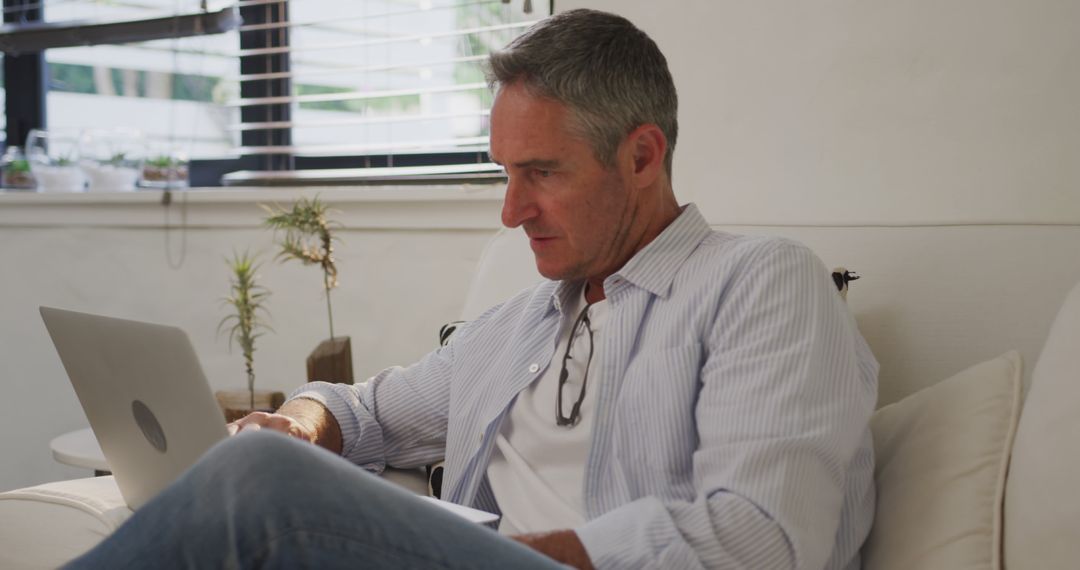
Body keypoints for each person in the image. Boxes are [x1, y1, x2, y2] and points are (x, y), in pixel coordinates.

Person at [67, 9, 877, 570]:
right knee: (262, 468)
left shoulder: (762, 284)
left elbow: (763, 536)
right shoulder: (518, 326)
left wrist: (490, 556)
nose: (511, 209)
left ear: (641, 155)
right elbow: (369, 413)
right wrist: (300, 422)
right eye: (504, 174)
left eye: (542, 173)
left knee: (258, 490)